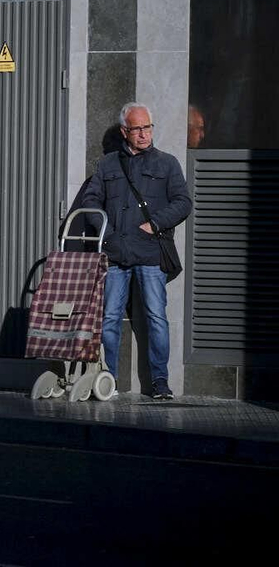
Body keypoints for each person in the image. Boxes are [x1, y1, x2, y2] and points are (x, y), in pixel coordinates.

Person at [75, 102, 192, 400]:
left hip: (151, 252)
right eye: (137, 128)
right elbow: (91, 201)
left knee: (156, 317)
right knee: (109, 318)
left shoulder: (167, 163)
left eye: (147, 127)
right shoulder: (108, 164)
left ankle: (160, 382)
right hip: (115, 253)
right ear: (125, 131)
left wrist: (154, 224)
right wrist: (109, 236)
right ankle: (108, 380)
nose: (144, 134)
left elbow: (182, 202)